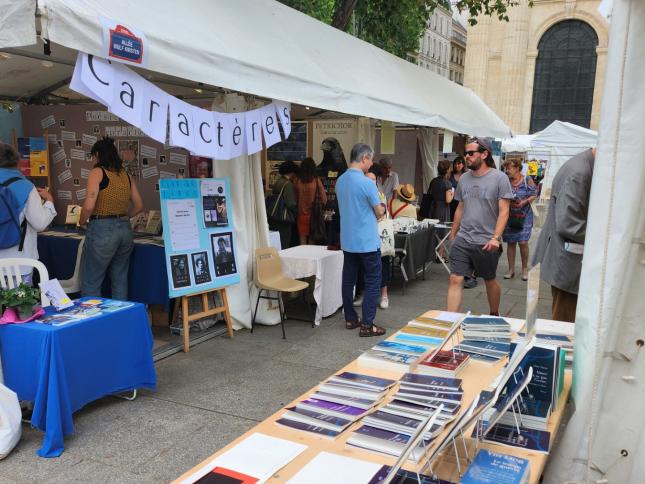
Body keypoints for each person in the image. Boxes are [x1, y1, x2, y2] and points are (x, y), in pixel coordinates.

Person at [446, 137, 513, 316]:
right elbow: (460, 207)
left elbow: (504, 211)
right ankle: (450, 321)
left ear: (484, 154)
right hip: (464, 238)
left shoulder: (500, 178)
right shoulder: (464, 178)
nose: (466, 157)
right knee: (455, 278)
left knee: (489, 280)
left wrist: (496, 238)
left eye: (470, 153)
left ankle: (494, 314)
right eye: (465, 153)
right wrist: (453, 233)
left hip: (486, 241)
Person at [532, 149, 595, 323]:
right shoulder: (579, 172)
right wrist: (606, 238)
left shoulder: (583, 166)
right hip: (568, 263)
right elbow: (569, 224)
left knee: (568, 321)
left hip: (569, 261)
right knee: (565, 324)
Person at [79, 137, 144, 300]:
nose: (92, 160)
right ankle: (120, 315)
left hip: (102, 229)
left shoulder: (97, 172)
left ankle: (93, 316)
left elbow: (88, 206)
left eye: (93, 156)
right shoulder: (126, 175)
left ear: (98, 155)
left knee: (92, 280)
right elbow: (139, 205)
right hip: (125, 230)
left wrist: (82, 221)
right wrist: (124, 217)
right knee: (120, 279)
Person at [336, 143, 386, 337]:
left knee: (348, 280)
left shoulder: (340, 181)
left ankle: (350, 318)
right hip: (367, 241)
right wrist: (382, 208)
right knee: (373, 280)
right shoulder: (367, 183)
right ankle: (367, 324)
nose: (371, 163)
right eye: (370, 159)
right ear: (364, 158)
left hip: (348, 240)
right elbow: (379, 211)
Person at [0, 143, 56, 284]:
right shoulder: (26, 186)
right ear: (17, 161)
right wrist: (49, 201)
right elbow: (40, 223)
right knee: (19, 298)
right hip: (18, 261)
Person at [502, 158, 537, 281]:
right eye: (506, 168)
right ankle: (511, 269)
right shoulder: (505, 180)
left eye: (509, 168)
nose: (507, 170)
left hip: (525, 215)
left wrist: (524, 202)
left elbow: (534, 194)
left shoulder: (527, 179)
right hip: (510, 215)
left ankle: (524, 269)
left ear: (517, 168)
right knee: (511, 242)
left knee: (523, 242)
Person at [294, 157, 327, 245]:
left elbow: (295, 198)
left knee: (302, 239)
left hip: (301, 215)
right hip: (313, 215)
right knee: (312, 239)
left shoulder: (297, 181)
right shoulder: (316, 181)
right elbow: (324, 199)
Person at [268, 161, 297, 249]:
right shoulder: (288, 184)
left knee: (276, 242)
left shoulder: (278, 181)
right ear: (291, 172)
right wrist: (297, 211)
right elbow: (290, 203)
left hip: (274, 216)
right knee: (284, 243)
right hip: (283, 219)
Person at [449, 156, 467, 220]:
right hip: (451, 202)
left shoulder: (466, 175)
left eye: (459, 164)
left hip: (463, 202)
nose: (456, 166)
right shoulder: (450, 175)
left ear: (463, 164)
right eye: (455, 164)